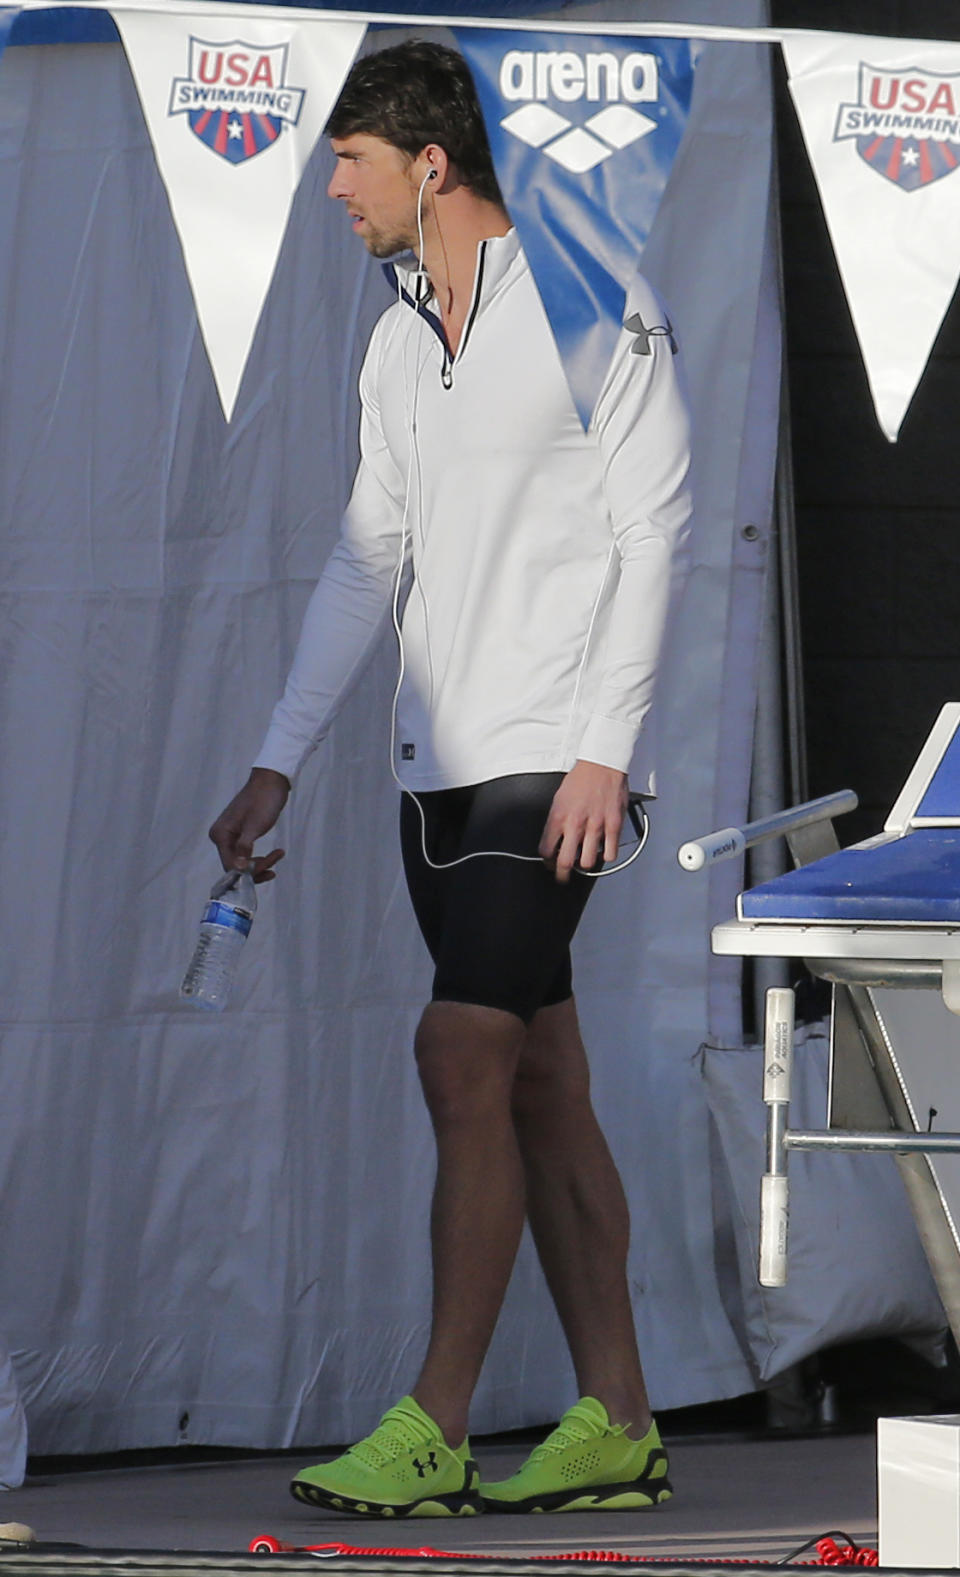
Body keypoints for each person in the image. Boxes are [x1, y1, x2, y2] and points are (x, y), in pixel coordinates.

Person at [209, 39, 691, 1519]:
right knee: (543, 1079)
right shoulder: (399, 334)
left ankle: (436, 1421)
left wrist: (606, 746)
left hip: (556, 766)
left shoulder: (594, 300)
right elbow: (370, 559)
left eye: (347, 162)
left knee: (457, 1052)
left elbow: (655, 527)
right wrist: (279, 758)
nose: (329, 190)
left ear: (430, 163)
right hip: (438, 779)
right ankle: (617, 1415)